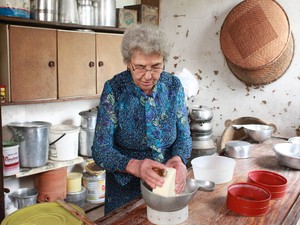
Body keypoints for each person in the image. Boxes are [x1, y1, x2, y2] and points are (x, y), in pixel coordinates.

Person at [92, 23, 192, 215]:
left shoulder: (173, 87)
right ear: (129, 62)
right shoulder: (115, 90)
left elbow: (184, 136)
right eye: (140, 67)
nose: (148, 76)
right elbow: (100, 150)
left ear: (164, 61)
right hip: (125, 190)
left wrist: (178, 159)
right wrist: (136, 166)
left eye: (156, 67)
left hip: (167, 184)